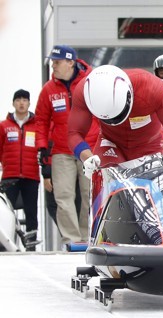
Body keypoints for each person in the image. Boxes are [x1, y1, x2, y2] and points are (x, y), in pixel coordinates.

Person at [35, 45, 99, 246]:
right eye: (52, 62)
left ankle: (87, 236)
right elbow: (41, 121)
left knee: (89, 194)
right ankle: (71, 239)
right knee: (63, 196)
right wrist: (42, 149)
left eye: (57, 62)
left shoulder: (90, 83)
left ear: (70, 62)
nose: (53, 66)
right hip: (61, 151)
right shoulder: (49, 89)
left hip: (88, 148)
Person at [67, 64, 163, 176]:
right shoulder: (83, 91)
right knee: (106, 179)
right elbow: (74, 133)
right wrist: (87, 158)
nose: (114, 121)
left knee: (151, 187)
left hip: (148, 145)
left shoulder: (152, 87)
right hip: (110, 142)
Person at [0, 89, 40, 250]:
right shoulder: (4, 126)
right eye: (18, 100)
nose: (21, 103)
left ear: (29, 103)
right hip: (10, 176)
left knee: (31, 212)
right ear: (13, 103)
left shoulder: (37, 125)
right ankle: (8, 243)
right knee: (8, 212)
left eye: (25, 100)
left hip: (31, 175)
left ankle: (31, 246)